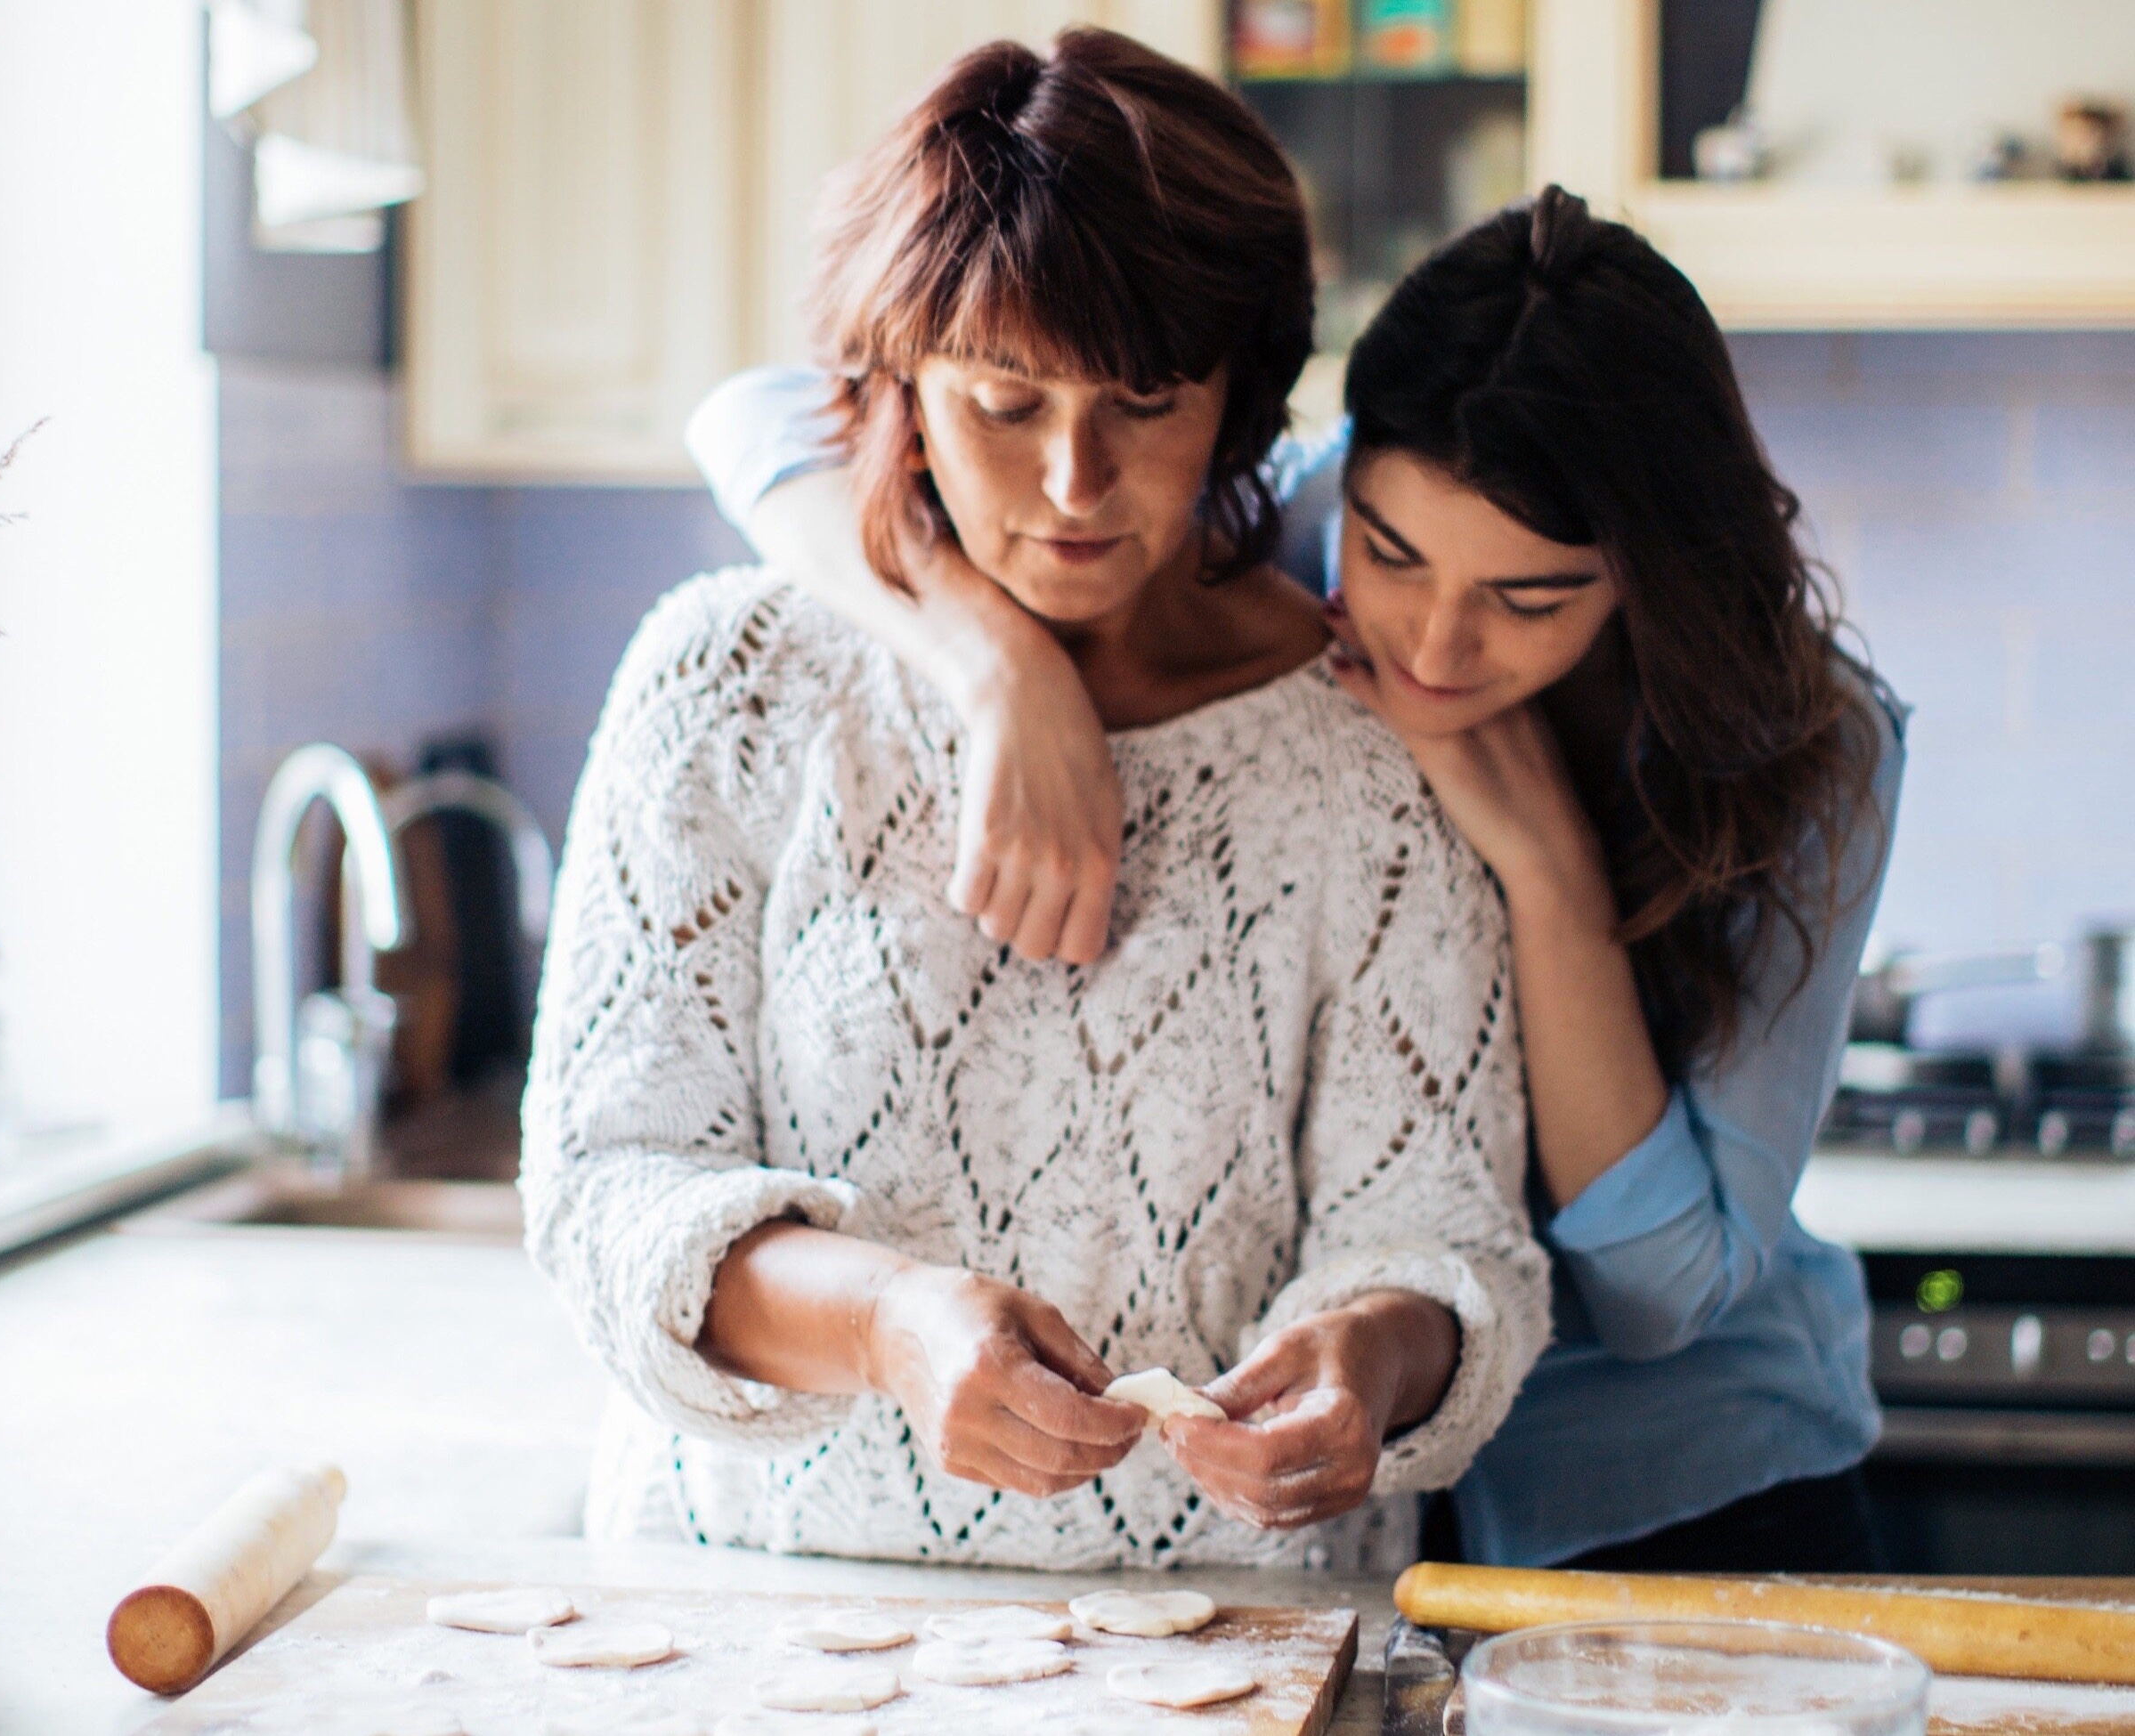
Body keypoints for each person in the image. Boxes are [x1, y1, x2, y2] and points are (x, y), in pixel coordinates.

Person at [686, 184, 1907, 1572]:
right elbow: (762, 419)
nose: (1437, 643)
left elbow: (1661, 1293)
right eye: (1390, 554)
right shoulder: (1276, 529)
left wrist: (1549, 874)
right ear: (1347, 469)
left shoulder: (1814, 743)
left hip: (1676, 1488)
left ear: (1643, 574)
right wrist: (998, 670)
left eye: (1533, 597)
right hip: (1351, 1515)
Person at [520, 28, 1549, 1573]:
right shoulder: (728, 682)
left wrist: (1372, 1358)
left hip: (1236, 1646)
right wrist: (885, 1324)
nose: (1077, 483)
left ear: (1241, 398)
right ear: (898, 388)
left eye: (1145, 400)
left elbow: (1451, 1234)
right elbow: (606, 1190)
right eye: (1005, 402)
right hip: (756, 1634)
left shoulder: (1370, 747)